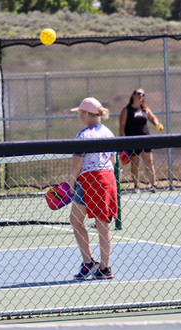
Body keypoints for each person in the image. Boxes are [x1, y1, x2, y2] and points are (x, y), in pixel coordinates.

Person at [69, 97, 118, 280]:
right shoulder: (109, 133)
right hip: (104, 179)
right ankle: (94, 264)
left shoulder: (82, 135)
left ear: (86, 114)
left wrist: (70, 184)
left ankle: (99, 266)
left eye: (80, 112)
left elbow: (76, 164)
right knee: (83, 221)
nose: (79, 116)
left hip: (92, 180)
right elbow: (113, 160)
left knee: (94, 223)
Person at [119, 89, 164, 193]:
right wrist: (121, 140)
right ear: (133, 95)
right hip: (132, 140)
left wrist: (157, 124)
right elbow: (122, 126)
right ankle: (136, 186)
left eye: (143, 94)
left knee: (149, 161)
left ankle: (153, 185)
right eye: (139, 93)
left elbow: (153, 119)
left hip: (145, 139)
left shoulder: (144, 109)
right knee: (135, 163)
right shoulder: (126, 110)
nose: (141, 96)